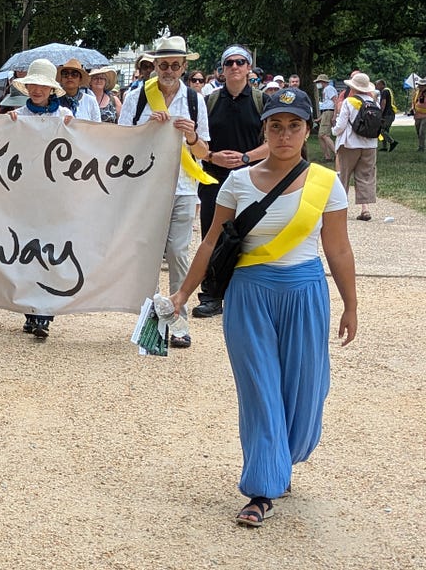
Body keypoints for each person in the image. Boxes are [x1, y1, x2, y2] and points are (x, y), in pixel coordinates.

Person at [170, 87, 357, 528]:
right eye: (276, 126)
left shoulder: (326, 184)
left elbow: (340, 250)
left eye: (294, 126)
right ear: (265, 130)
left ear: (307, 130)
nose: (285, 135)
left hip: (305, 292)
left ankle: (282, 459)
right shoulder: (237, 181)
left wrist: (351, 305)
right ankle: (261, 488)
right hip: (249, 295)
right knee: (259, 389)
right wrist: (181, 293)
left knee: (305, 389)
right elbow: (213, 241)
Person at [119, 35, 210, 348]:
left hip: (184, 186)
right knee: (144, 253)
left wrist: (192, 134)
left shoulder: (196, 101)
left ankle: (178, 320)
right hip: (145, 187)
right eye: (163, 64)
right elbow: (120, 143)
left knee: (177, 252)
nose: (169, 70)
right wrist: (148, 129)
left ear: (184, 67)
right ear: (153, 66)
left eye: (174, 64)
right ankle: (148, 320)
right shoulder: (137, 98)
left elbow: (205, 151)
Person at [192, 45, 267, 319]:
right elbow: (195, 143)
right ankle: (211, 294)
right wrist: (213, 156)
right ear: (222, 70)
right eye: (229, 63)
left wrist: (247, 158)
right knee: (213, 236)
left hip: (253, 178)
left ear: (249, 67)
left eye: (240, 62)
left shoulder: (262, 102)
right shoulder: (209, 102)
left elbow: (273, 144)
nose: (235, 67)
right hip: (214, 178)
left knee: (253, 236)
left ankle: (250, 294)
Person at [7, 58, 74, 340]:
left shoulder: (67, 116)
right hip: (24, 196)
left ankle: (44, 314)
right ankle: (32, 310)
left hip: (55, 197)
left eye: (42, 85)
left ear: (51, 89)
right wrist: (6, 126)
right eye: (33, 84)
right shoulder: (17, 115)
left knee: (50, 252)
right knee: (25, 252)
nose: (37, 90)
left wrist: (74, 128)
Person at [332, 72, 379, 221]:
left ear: (353, 87)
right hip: (370, 144)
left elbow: (341, 125)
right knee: (365, 176)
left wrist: (333, 131)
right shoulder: (374, 103)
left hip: (350, 144)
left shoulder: (349, 102)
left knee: (344, 175)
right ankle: (365, 209)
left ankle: (341, 207)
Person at [313, 74, 337, 161]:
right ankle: (327, 156)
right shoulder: (326, 90)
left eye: (318, 82)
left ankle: (337, 154)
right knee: (321, 135)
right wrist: (319, 119)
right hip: (326, 112)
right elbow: (327, 106)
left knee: (324, 135)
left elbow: (335, 102)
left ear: (322, 82)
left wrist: (334, 115)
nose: (317, 84)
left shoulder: (329, 89)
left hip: (329, 112)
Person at [375, 79, 398, 151]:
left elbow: (383, 103)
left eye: (377, 85)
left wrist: (381, 113)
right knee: (385, 130)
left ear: (382, 84)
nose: (376, 86)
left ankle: (392, 142)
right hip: (390, 113)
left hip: (387, 114)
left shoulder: (384, 91)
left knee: (382, 130)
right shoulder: (388, 90)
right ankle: (384, 147)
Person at [414, 79, 426, 152]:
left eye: (422, 86)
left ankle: (422, 147)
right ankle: (421, 144)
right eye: (419, 85)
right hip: (417, 115)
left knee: (422, 131)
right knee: (418, 131)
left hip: (425, 116)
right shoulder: (417, 93)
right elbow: (414, 101)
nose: (420, 87)